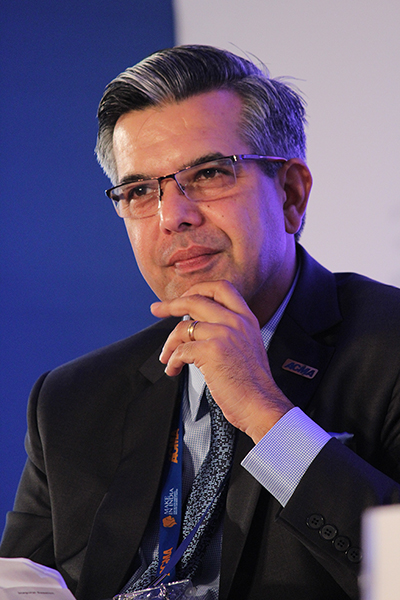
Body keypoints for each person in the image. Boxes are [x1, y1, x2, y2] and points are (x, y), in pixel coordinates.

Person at [1, 44, 400, 600]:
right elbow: (21, 583)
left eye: (209, 173)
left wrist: (267, 416)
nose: (173, 216)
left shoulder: (389, 346)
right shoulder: (70, 401)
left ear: (290, 195)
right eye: (140, 191)